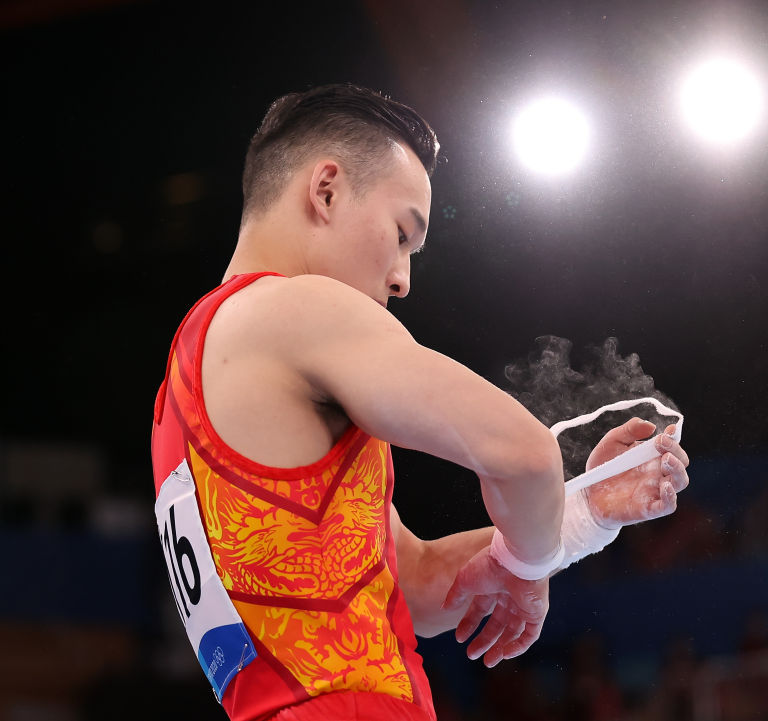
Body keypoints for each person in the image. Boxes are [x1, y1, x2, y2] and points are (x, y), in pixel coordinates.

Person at [150, 83, 691, 721]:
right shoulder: (291, 307)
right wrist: (531, 561)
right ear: (326, 191)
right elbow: (524, 455)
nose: (403, 279)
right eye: (403, 233)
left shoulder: (184, 387)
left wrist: (583, 512)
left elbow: (420, 586)